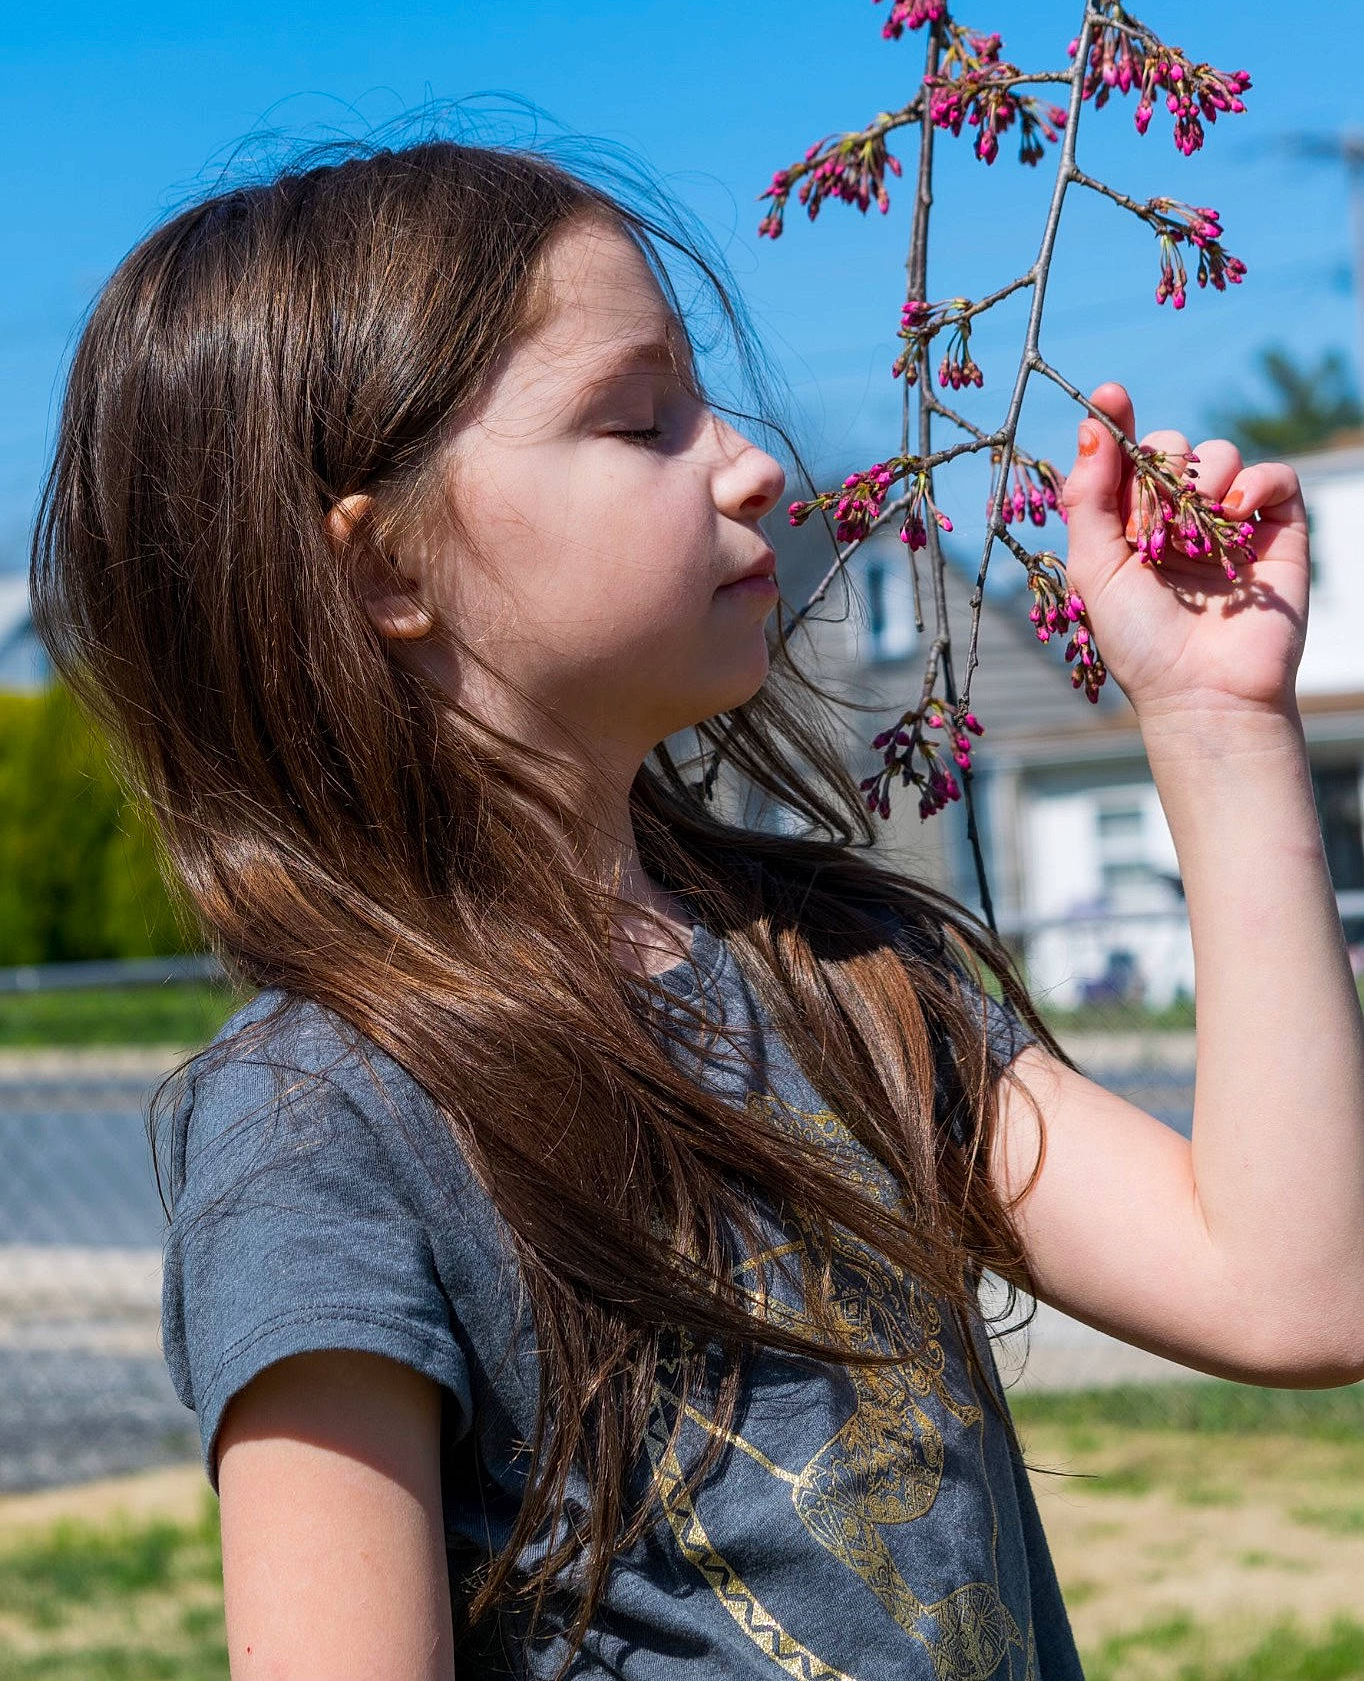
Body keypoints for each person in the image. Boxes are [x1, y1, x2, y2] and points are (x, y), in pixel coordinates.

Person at [31, 136, 1363, 1681]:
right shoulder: (327, 1128)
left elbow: (1299, 1290)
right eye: (642, 418)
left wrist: (1215, 723)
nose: (752, 463)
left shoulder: (851, 979)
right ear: (385, 565)